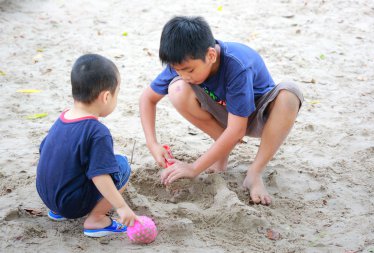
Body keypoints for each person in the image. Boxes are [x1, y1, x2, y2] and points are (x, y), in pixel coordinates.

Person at [139, 16, 304, 205]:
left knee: (290, 93)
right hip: (225, 114)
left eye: (189, 70)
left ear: (211, 55)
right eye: (178, 71)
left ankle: (255, 172)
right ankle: (221, 150)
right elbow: (147, 99)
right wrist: (152, 144)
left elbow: (237, 130)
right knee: (177, 90)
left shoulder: (237, 65)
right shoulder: (183, 61)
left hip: (258, 116)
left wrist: (194, 168)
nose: (184, 76)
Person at [36, 54, 139, 237]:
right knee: (121, 165)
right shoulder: (97, 131)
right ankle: (97, 219)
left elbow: (45, 150)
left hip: (47, 197)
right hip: (71, 203)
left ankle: (58, 211)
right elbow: (100, 175)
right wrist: (122, 207)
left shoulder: (63, 117)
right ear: (106, 97)